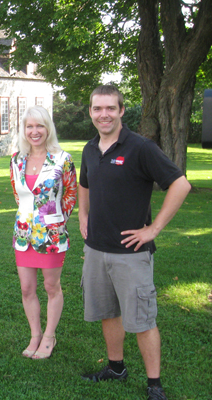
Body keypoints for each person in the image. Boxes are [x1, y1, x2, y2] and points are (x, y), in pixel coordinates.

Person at [79, 85, 191, 400]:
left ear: (121, 111)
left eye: (110, 108)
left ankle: (154, 385)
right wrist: (83, 217)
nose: (104, 114)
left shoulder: (141, 148)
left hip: (132, 254)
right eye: (97, 109)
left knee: (142, 320)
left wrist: (153, 229)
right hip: (96, 250)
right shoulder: (89, 148)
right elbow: (84, 183)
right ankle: (116, 368)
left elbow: (180, 185)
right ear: (90, 112)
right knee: (108, 312)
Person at [10, 106, 77, 359]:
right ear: (24, 130)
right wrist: (30, 217)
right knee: (27, 288)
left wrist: (57, 220)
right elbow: (18, 195)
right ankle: (35, 334)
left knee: (51, 286)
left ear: (48, 128)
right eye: (29, 127)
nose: (34, 132)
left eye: (40, 126)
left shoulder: (62, 158)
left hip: (52, 235)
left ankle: (49, 336)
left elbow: (71, 193)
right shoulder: (16, 160)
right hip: (23, 234)